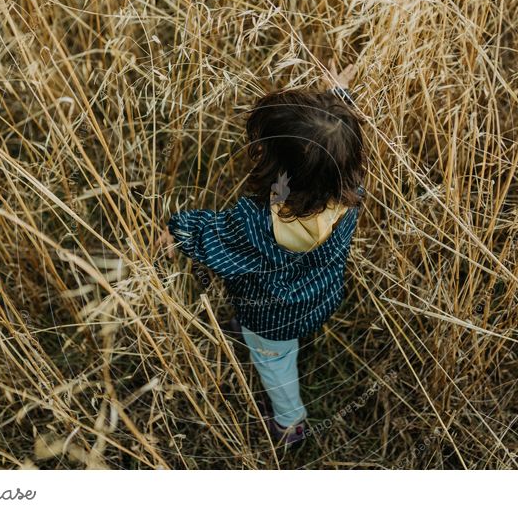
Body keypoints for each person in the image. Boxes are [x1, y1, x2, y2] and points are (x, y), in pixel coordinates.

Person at [157, 60, 366, 446]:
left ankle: (290, 424)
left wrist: (176, 229)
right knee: (288, 340)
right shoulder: (349, 191)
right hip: (320, 296)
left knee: (275, 365)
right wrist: (337, 98)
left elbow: (211, 237)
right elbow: (333, 147)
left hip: (270, 318)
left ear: (274, 167)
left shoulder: (257, 226)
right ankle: (288, 343)